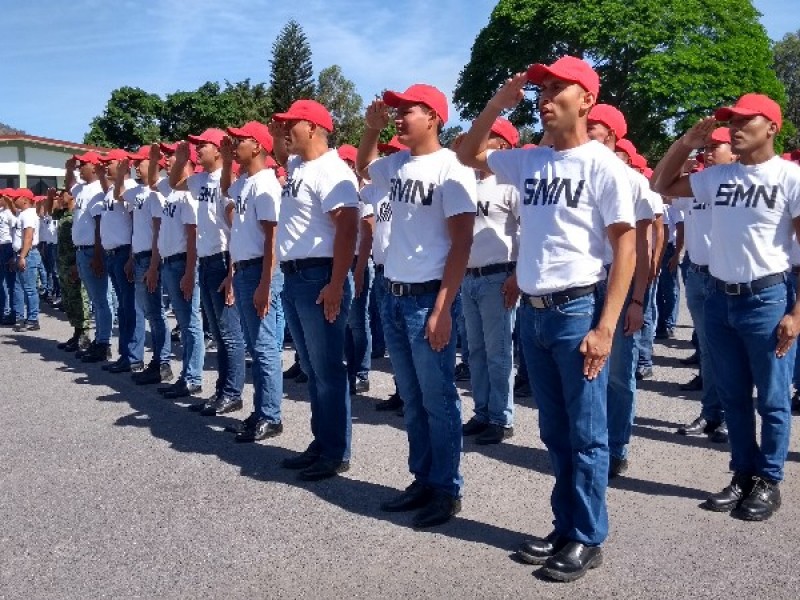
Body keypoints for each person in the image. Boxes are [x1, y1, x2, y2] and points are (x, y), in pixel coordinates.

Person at [457, 56, 635, 581]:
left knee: (586, 431)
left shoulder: (604, 165)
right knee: (556, 432)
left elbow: (624, 249)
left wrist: (605, 326)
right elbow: (469, 154)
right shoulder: (529, 160)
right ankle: (566, 524)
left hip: (577, 309)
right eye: (542, 89)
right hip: (534, 313)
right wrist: (496, 105)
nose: (545, 97)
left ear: (586, 100)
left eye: (558, 88)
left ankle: (586, 536)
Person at [652, 93, 800, 522]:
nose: (734, 128)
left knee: (772, 399)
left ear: (772, 127)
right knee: (733, 395)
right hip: (720, 296)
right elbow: (660, 186)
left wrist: (796, 313)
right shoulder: (718, 177)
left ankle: (769, 480)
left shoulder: (789, 178)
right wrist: (685, 144)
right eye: (729, 121)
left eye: (744, 121)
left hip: (767, 297)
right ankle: (743, 472)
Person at [358, 83, 477, 528]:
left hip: (428, 297)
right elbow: (362, 166)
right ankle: (423, 479)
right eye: (397, 111)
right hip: (393, 294)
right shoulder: (396, 165)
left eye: (407, 111)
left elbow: (462, 244)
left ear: (433, 117)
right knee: (411, 397)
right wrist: (370, 131)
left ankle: (445, 490)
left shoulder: (453, 168)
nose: (399, 118)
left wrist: (443, 308)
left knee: (438, 398)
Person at [271, 99, 359, 481]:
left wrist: (337, 283)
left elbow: (349, 227)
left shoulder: (332, 170)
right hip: (295, 277)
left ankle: (335, 451)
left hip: (319, 277)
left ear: (312, 126)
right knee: (311, 369)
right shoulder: (298, 166)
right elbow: (279, 151)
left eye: (292, 124)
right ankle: (321, 442)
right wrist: (277, 135)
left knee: (328, 370)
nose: (287, 131)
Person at [586, 106, 658, 478]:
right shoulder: (579, 171)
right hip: (587, 285)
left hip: (621, 283)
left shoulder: (633, 182)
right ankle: (591, 444)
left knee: (618, 375)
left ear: (612, 135)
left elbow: (641, 251)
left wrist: (637, 300)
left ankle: (616, 446)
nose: (585, 132)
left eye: (593, 128)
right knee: (589, 371)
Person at [220, 121, 285, 442]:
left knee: (264, 347)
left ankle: (271, 415)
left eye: (241, 140)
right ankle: (261, 410)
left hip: (260, 270)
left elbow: (273, 236)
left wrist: (265, 282)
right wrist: (228, 158)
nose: (235, 143)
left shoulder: (265, 185)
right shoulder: (245, 182)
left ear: (258, 146)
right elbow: (223, 191)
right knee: (256, 346)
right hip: (245, 270)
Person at [171, 130, 245, 410]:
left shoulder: (228, 180)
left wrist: (232, 271)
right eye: (197, 145)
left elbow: (237, 229)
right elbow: (174, 183)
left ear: (218, 150)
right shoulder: (199, 179)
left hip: (224, 258)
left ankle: (233, 393)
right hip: (206, 259)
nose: (198, 149)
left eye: (204, 145)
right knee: (217, 331)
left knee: (229, 333)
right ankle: (222, 389)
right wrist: (180, 160)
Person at [459, 117, 520, 445]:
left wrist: (517, 276)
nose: (481, 140)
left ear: (504, 147)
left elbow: (527, 231)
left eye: (491, 136)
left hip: (498, 276)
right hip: (469, 278)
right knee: (475, 351)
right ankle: (482, 412)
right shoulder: (469, 181)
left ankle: (501, 416)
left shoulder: (510, 184)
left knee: (498, 352)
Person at [671, 128, 734, 442]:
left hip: (724, 277)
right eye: (705, 148)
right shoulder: (700, 184)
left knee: (730, 354)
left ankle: (730, 417)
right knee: (708, 350)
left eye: (715, 146)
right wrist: (684, 146)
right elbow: (664, 187)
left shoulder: (738, 184)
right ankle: (711, 413)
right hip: (696, 274)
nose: (707, 153)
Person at [147, 142, 205, 399]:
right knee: (183, 322)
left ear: (188, 162)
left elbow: (193, 237)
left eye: (173, 157)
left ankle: (192, 377)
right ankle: (187, 376)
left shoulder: (188, 194)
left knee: (190, 323)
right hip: (169, 262)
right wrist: (153, 158)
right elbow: (151, 181)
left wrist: (190, 272)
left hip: (183, 262)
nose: (168, 161)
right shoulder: (170, 191)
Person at [361, 135, 408, 413]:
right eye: (385, 152)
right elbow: (358, 178)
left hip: (403, 271)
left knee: (409, 340)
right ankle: (401, 390)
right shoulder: (377, 189)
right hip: (382, 270)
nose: (386, 157)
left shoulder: (407, 187)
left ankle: (411, 395)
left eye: (392, 153)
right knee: (394, 341)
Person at [120, 148, 173, 385]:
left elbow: (157, 230)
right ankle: (158, 361)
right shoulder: (138, 191)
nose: (135, 167)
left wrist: (153, 264)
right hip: (139, 256)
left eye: (138, 163)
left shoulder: (157, 191)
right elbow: (119, 194)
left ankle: (162, 362)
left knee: (156, 312)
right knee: (150, 311)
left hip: (152, 256)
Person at [95, 149, 143, 373]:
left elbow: (136, 224)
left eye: (109, 162)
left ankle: (133, 356)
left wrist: (132, 256)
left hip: (125, 252)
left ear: (124, 164)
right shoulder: (111, 190)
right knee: (123, 308)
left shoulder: (131, 188)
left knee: (131, 307)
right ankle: (126, 354)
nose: (105, 166)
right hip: (112, 253)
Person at [66, 152, 113, 363]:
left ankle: (103, 343)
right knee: (96, 300)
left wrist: (97, 255)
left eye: (83, 164)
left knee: (102, 300)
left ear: (94, 167)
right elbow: (69, 186)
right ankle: (99, 340)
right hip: (82, 250)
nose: (79, 168)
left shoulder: (96, 190)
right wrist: (68, 169)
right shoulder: (83, 189)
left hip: (92, 250)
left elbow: (99, 225)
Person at [338, 143, 375, 394]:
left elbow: (368, 235)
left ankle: (361, 371)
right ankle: (351, 368)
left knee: (359, 322)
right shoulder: (345, 195)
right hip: (344, 261)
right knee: (348, 323)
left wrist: (360, 270)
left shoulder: (365, 195)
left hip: (358, 261)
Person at [51, 188, 92, 352]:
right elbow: (51, 211)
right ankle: (76, 332)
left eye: (63, 194)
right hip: (63, 264)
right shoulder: (62, 214)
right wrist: (50, 198)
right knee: (69, 300)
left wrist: (76, 264)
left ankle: (84, 335)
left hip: (74, 263)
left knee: (79, 298)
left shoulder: (77, 215)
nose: (60, 197)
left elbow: (79, 240)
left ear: (73, 196)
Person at [10, 188, 41, 331]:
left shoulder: (28, 215)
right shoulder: (23, 214)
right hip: (21, 253)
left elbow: (28, 237)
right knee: (19, 288)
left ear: (24, 199)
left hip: (28, 254)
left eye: (16, 198)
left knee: (29, 289)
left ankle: (33, 319)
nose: (13, 200)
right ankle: (22, 318)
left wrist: (22, 256)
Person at [0, 189, 18, 326]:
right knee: (2, 283)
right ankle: (3, 311)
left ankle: (11, 312)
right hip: (1, 246)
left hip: (7, 247)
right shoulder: (1, 212)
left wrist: (13, 253)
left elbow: (15, 232)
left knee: (9, 283)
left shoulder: (10, 215)